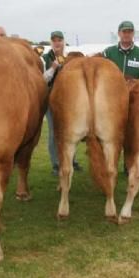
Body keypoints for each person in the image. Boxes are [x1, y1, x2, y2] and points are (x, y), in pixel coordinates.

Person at [103, 21, 139, 175]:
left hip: (133, 102)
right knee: (110, 134)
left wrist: (135, 84)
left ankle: (129, 164)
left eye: (129, 32)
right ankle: (109, 165)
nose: (127, 34)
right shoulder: (108, 53)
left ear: (133, 34)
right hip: (111, 102)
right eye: (124, 32)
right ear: (119, 33)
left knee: (131, 134)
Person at [41, 31, 82, 176]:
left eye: (59, 40)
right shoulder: (45, 58)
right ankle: (56, 164)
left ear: (64, 42)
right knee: (54, 133)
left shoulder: (70, 58)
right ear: (51, 42)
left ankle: (72, 160)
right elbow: (42, 80)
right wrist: (53, 67)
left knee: (71, 131)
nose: (57, 43)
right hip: (52, 100)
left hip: (70, 101)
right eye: (54, 40)